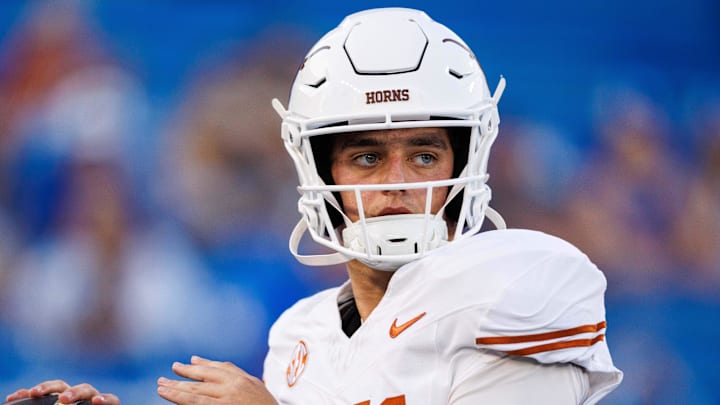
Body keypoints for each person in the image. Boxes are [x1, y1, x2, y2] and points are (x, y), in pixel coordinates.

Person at [5, 7, 623, 405]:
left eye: (426, 156)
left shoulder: (521, 296)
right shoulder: (300, 337)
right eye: (366, 157)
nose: (398, 183)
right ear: (316, 170)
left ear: (467, 165)